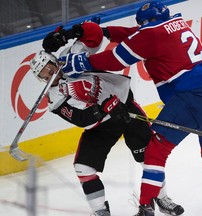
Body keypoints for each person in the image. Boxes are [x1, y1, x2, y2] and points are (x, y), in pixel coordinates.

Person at [58, 1, 202, 216]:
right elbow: (136, 35)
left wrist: (83, 62)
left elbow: (116, 59)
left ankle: (146, 209)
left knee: (155, 154)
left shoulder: (149, 34)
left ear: (147, 21)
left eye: (142, 24)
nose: (140, 28)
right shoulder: (175, 24)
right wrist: (105, 31)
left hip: (189, 98)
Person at [31, 21, 184, 216]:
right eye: (44, 75)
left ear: (54, 62)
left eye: (49, 68)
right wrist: (104, 109)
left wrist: (68, 34)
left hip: (125, 109)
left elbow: (94, 35)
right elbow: (81, 119)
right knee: (83, 168)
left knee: (149, 157)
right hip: (100, 126)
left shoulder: (70, 57)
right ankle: (101, 211)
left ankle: (162, 198)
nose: (50, 75)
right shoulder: (53, 97)